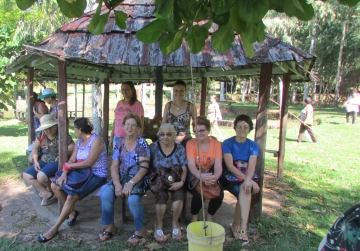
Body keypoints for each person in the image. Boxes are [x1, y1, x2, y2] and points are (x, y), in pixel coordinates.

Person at [37, 118, 108, 243]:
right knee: (55, 186)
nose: (74, 131)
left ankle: (54, 229)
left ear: (80, 129)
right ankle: (72, 211)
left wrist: (69, 166)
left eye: (75, 128)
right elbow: (72, 160)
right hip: (81, 172)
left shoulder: (96, 141)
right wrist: (64, 173)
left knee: (71, 197)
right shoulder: (80, 141)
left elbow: (89, 163)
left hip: (96, 175)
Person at [99, 112, 150, 244]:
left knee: (133, 200)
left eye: (133, 125)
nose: (130, 127)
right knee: (105, 194)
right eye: (127, 124)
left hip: (138, 178)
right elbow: (114, 166)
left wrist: (131, 183)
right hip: (121, 177)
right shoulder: (120, 143)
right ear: (123, 126)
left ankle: (140, 230)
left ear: (138, 127)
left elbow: (144, 168)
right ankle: (110, 226)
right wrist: (117, 184)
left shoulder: (142, 143)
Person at [220, 114, 260, 244]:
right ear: (234, 127)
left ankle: (240, 225)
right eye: (239, 126)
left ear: (250, 129)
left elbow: (252, 165)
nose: (242, 129)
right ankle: (241, 226)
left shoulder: (253, 145)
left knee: (245, 190)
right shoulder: (227, 143)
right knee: (245, 189)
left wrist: (248, 179)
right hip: (232, 175)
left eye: (245, 127)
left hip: (247, 175)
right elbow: (230, 166)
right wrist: (248, 180)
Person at [23, 114, 75, 206]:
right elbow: (35, 148)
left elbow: (73, 147)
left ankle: (53, 190)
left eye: (50, 128)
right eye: (45, 128)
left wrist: (62, 153)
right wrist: (35, 161)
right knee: (26, 175)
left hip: (56, 162)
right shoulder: (42, 134)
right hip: (43, 160)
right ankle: (47, 192)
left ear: (55, 125)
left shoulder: (62, 134)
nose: (48, 131)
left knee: (41, 176)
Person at [149, 123, 187, 242]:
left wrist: (181, 182)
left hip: (176, 179)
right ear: (159, 135)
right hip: (159, 181)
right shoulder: (153, 147)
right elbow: (148, 166)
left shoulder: (180, 148)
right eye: (162, 134)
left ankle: (175, 223)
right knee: (161, 198)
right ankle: (159, 224)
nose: (165, 137)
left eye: (169, 134)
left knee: (178, 199)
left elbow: (185, 168)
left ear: (174, 135)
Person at [186, 116, 223, 223]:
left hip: (210, 174)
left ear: (208, 130)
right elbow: (191, 165)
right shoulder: (190, 144)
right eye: (196, 131)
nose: (199, 134)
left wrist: (215, 177)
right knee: (198, 195)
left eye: (202, 130)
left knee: (219, 194)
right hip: (195, 175)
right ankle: (194, 216)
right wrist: (199, 175)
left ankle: (210, 215)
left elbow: (218, 166)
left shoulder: (216, 144)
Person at [109, 81, 144, 151]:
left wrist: (138, 138)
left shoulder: (137, 104)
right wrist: (111, 137)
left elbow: (141, 123)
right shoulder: (119, 103)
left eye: (127, 89)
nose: (124, 91)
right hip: (117, 137)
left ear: (132, 90)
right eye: (123, 89)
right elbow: (115, 121)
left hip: (130, 137)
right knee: (117, 159)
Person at [161, 80, 196, 147]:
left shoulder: (191, 106)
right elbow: (163, 123)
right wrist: (161, 137)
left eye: (181, 91)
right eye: (176, 90)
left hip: (186, 141)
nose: (178, 93)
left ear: (186, 91)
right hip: (170, 141)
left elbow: (196, 124)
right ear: (173, 91)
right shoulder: (168, 105)